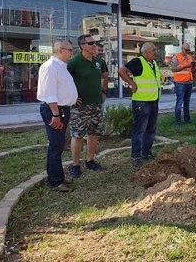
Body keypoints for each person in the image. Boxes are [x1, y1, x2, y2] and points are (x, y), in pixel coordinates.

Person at [37, 39, 78, 192]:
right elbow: (50, 94)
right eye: (70, 50)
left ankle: (55, 177)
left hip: (62, 109)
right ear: (60, 50)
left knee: (59, 145)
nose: (71, 53)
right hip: (55, 110)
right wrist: (55, 114)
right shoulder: (51, 67)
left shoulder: (61, 66)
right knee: (56, 145)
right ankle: (55, 181)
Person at [67, 35, 109, 178]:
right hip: (80, 106)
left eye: (95, 43)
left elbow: (105, 76)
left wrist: (103, 91)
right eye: (91, 43)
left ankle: (90, 160)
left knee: (94, 133)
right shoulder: (74, 62)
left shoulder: (99, 61)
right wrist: (71, 97)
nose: (94, 45)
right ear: (82, 46)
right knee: (77, 135)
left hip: (96, 104)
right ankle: (75, 165)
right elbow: (64, 81)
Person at [118, 42, 161, 167]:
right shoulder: (138, 61)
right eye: (153, 50)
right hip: (141, 102)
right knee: (140, 130)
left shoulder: (153, 63)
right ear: (146, 52)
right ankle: (136, 155)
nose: (155, 52)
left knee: (151, 129)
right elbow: (122, 71)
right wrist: (132, 83)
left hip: (153, 100)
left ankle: (146, 152)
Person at [171, 43, 194, 126]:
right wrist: (185, 66)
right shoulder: (176, 57)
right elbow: (173, 69)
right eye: (186, 50)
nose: (187, 52)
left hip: (189, 81)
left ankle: (187, 119)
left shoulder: (190, 57)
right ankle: (178, 121)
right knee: (179, 102)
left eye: (189, 50)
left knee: (187, 102)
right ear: (182, 49)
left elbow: (190, 68)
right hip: (180, 82)